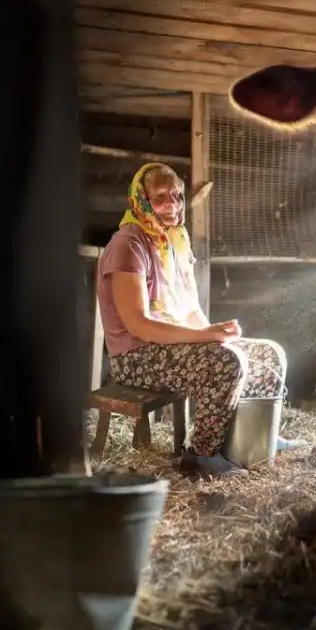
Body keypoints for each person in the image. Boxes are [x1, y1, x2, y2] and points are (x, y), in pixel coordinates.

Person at [96, 162, 303, 478]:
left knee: (266, 354)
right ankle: (201, 458)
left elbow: (190, 310)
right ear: (141, 200)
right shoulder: (128, 244)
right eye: (160, 197)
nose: (172, 205)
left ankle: (257, 437)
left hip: (169, 348)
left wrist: (215, 334)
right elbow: (139, 325)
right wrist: (209, 339)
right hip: (136, 357)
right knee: (224, 362)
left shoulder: (175, 241)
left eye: (177, 196)